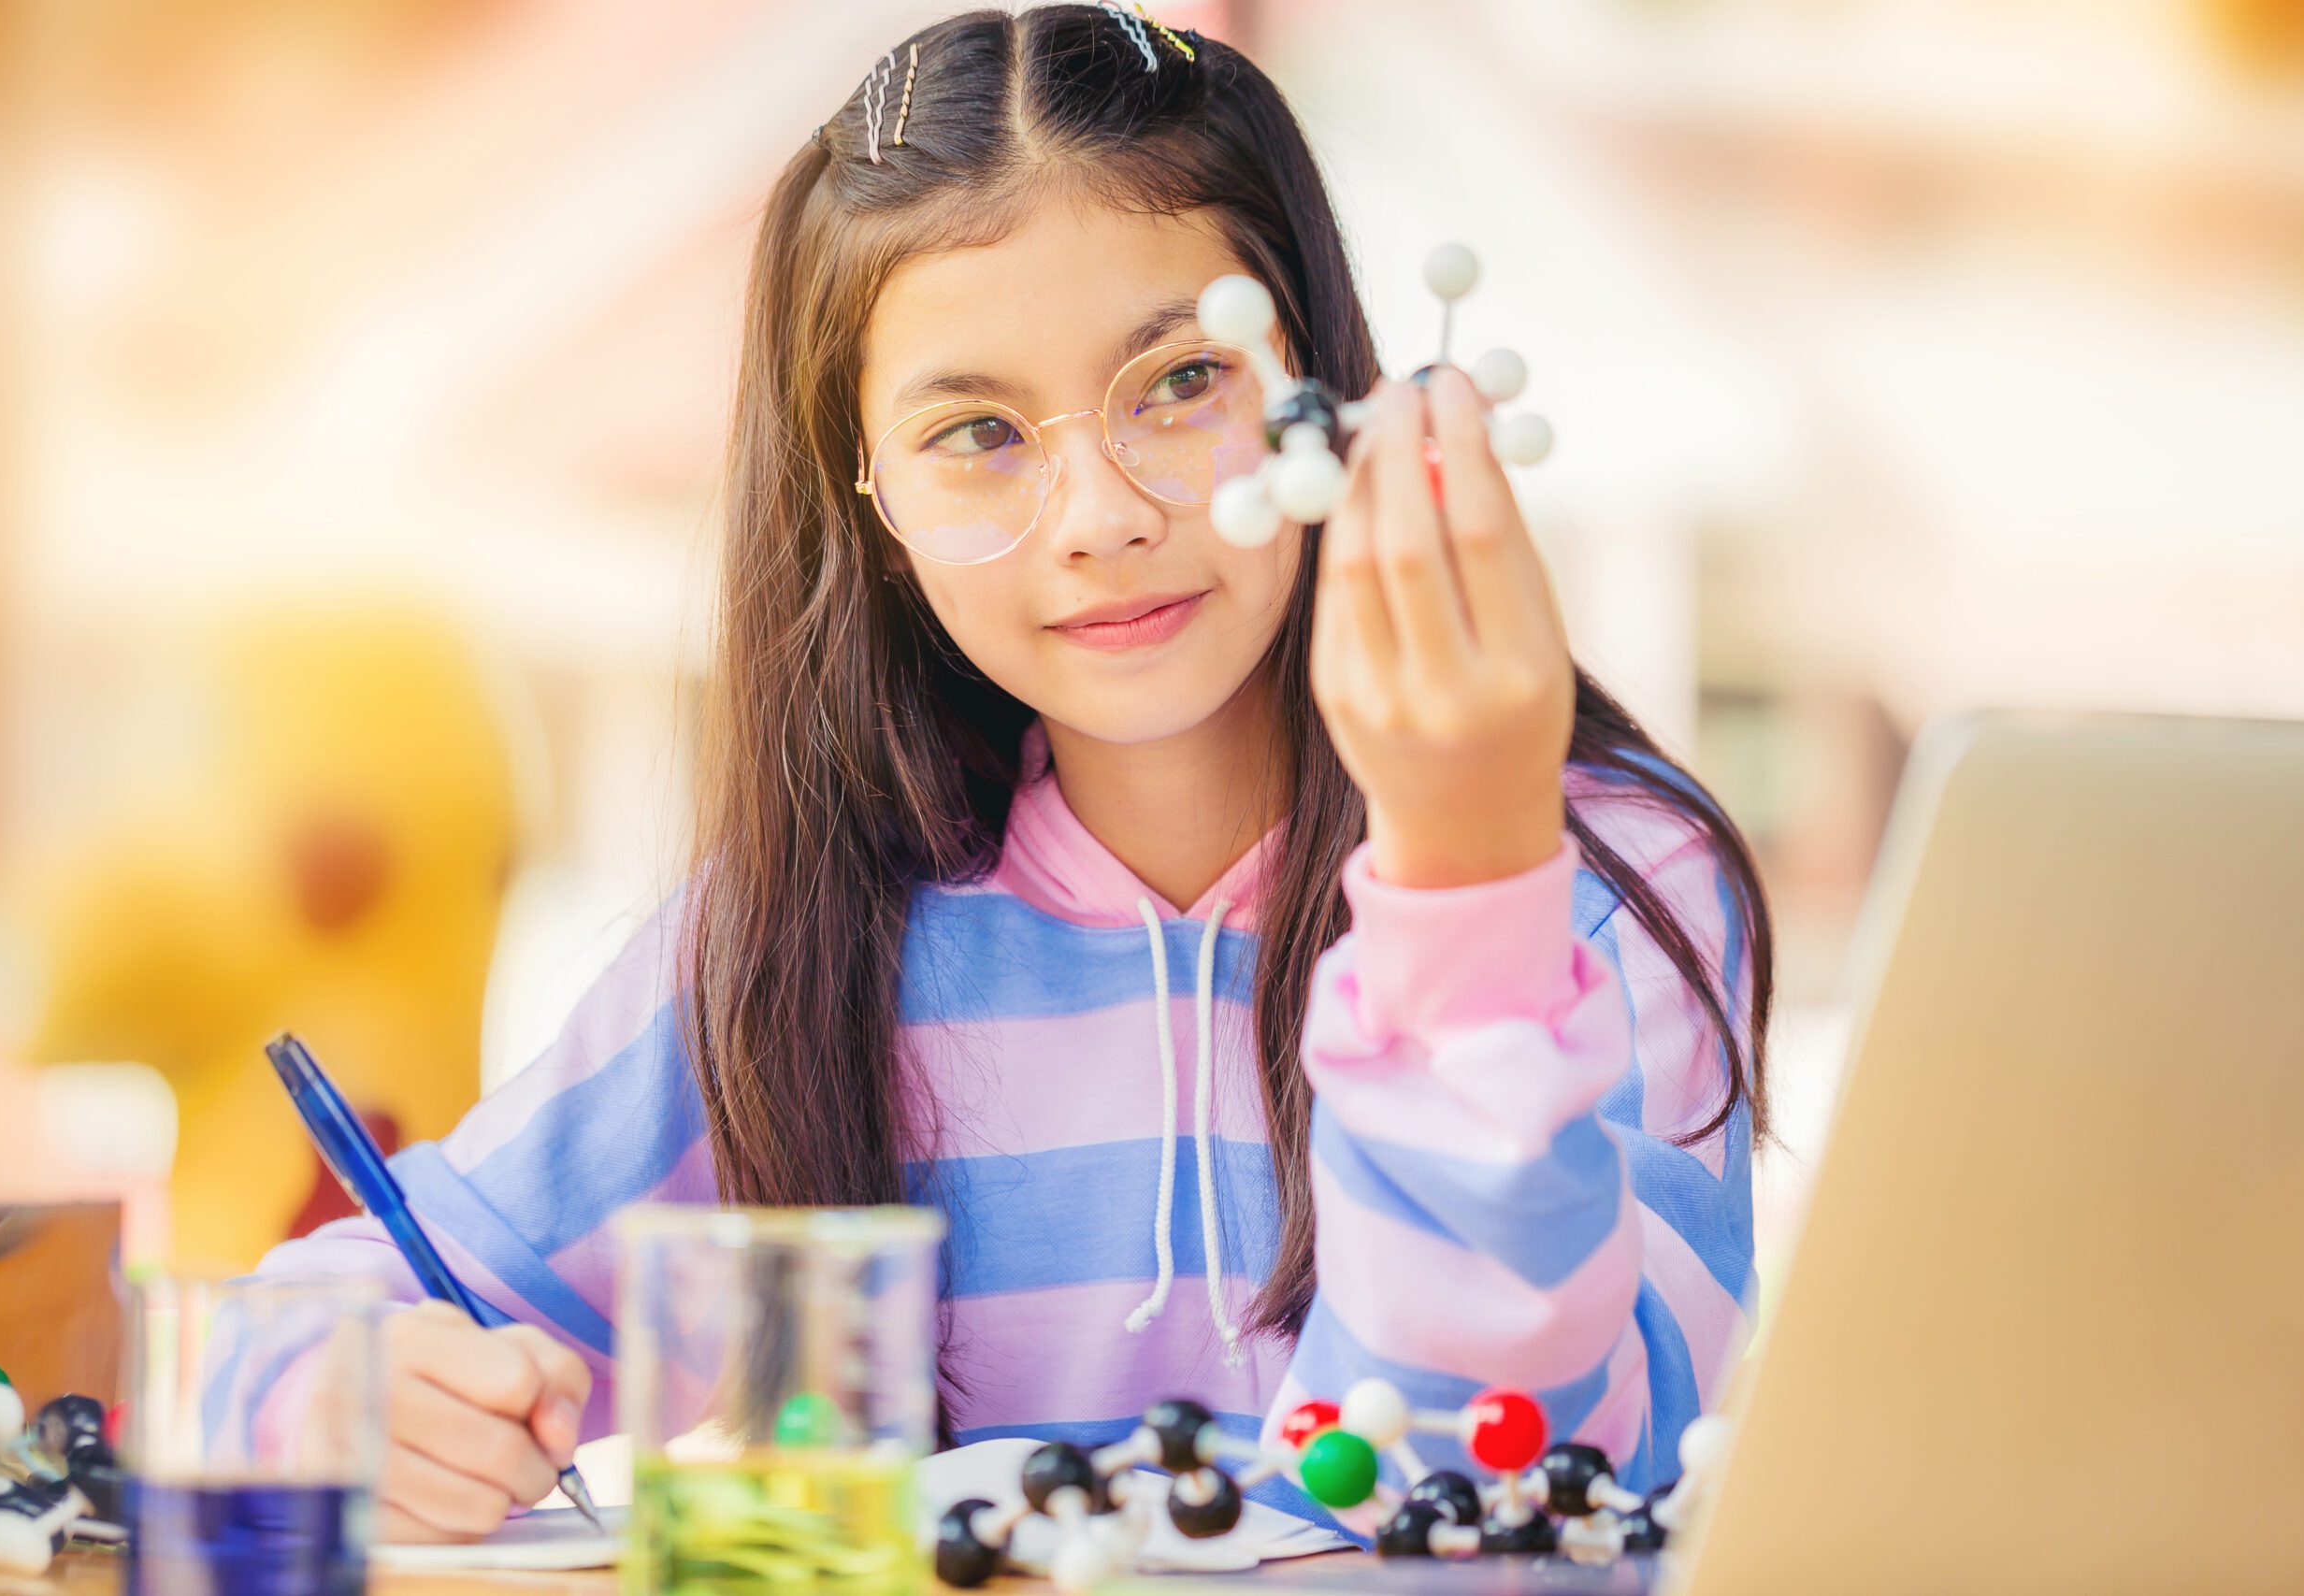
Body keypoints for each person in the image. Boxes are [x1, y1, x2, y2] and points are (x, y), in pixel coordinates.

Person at [251, 5, 1773, 1544]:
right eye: (977, 431)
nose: (1096, 515)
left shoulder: (1594, 885)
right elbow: (306, 1321)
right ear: (872, 506)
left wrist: (1464, 873)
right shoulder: (802, 942)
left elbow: (1504, 1508)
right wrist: (346, 1393)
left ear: (1318, 381)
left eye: (1182, 382)